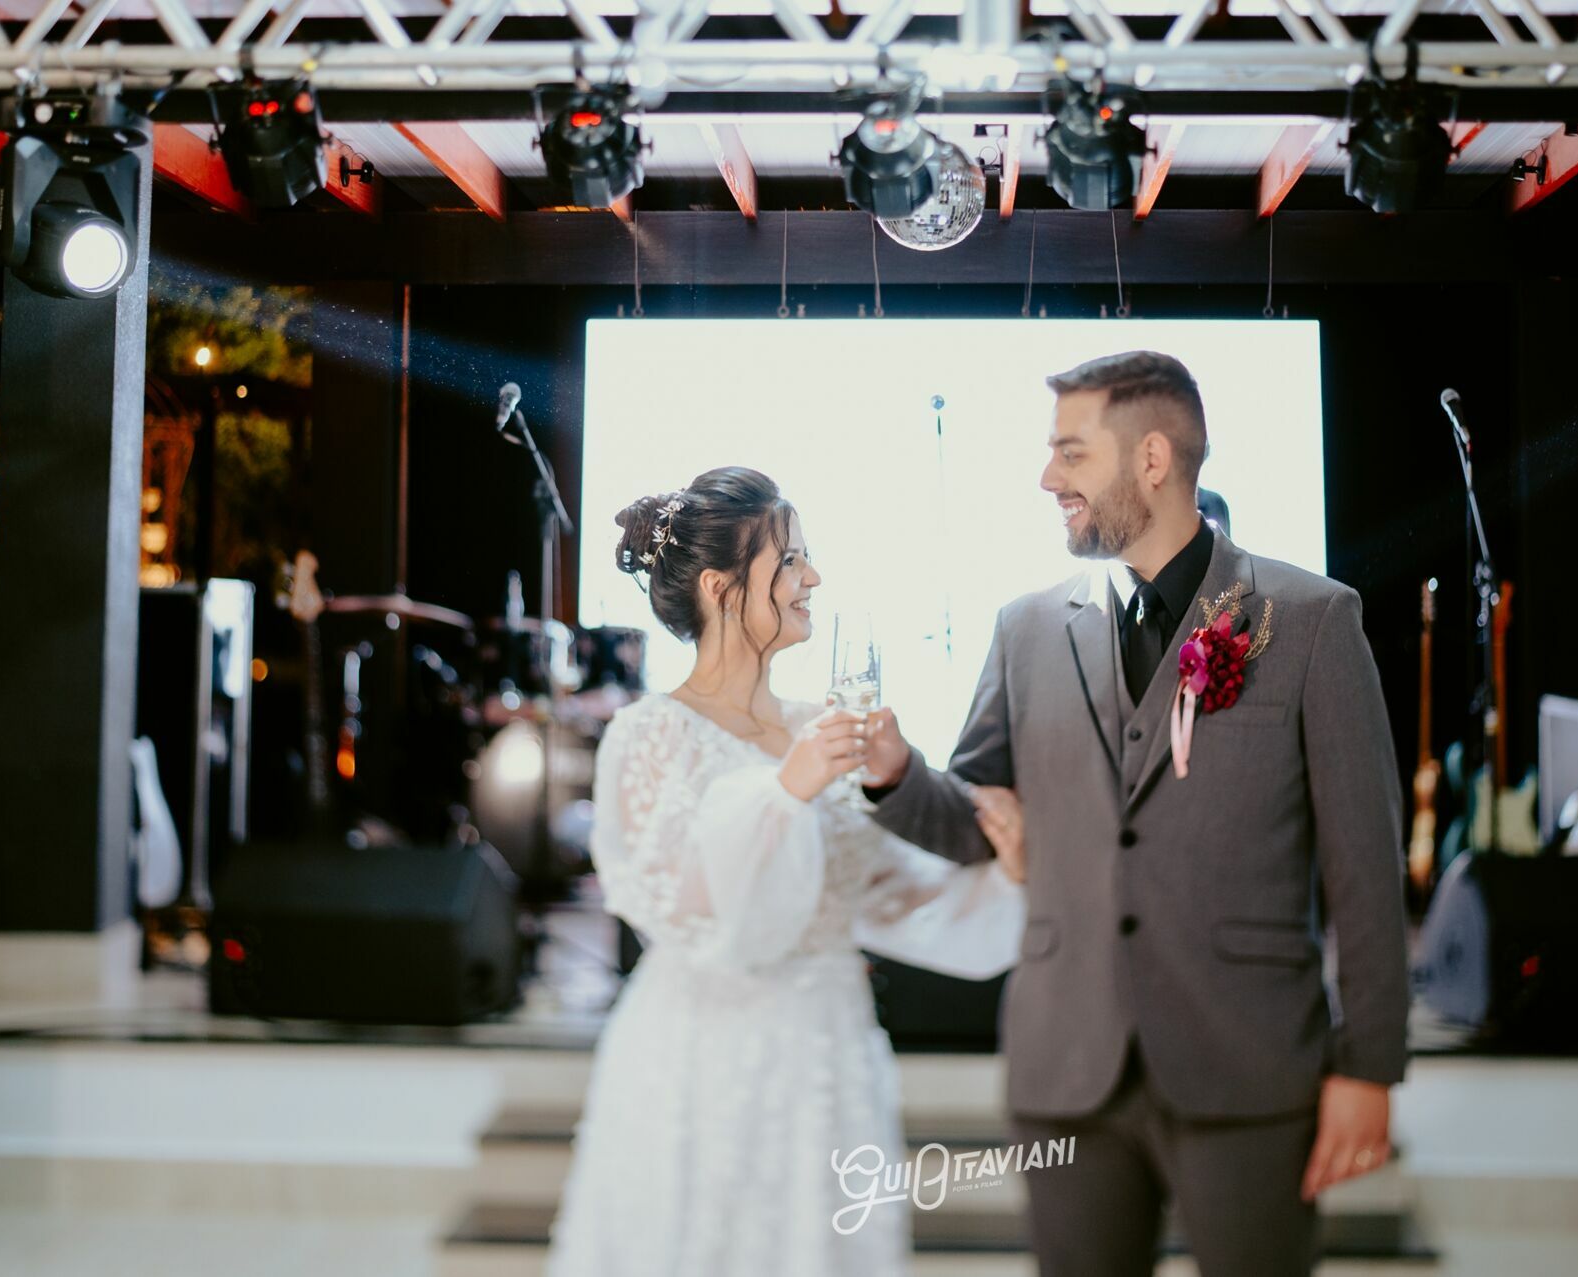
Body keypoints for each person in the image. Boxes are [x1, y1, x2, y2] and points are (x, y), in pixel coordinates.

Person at [861, 352, 1410, 1276]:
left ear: (1151, 458)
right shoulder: (1025, 629)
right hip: (1067, 1066)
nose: (1048, 479)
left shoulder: (1313, 620)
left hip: (1249, 1065)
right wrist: (891, 774)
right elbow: (970, 819)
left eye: (1072, 455)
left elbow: (1367, 864)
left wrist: (1370, 1066)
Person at [546, 466, 1025, 1277]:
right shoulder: (647, 732)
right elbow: (672, 903)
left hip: (826, 1058)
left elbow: (888, 891)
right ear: (720, 587)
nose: (814, 579)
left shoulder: (824, 728)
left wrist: (1008, 870)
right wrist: (782, 791)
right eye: (791, 560)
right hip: (698, 1057)